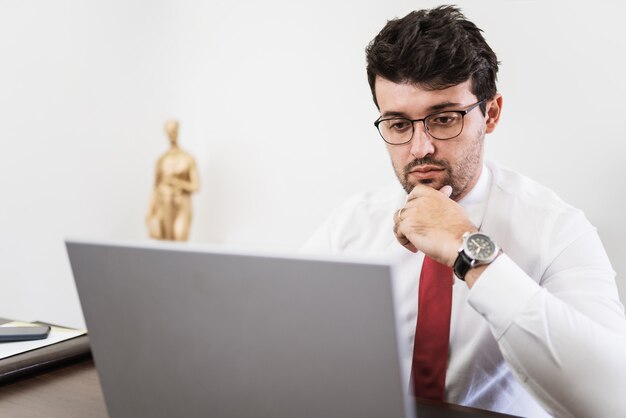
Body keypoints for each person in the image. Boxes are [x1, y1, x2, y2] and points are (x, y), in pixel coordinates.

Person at [303, 6, 626, 417]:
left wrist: (469, 248)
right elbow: (285, 351)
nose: (420, 148)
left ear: (490, 114)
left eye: (443, 119)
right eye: (399, 125)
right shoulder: (349, 225)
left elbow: (612, 400)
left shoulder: (557, 230)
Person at [146, 120, 199, 241]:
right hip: (164, 203)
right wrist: (150, 210)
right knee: (166, 243)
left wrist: (175, 182)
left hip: (182, 204)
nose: (171, 134)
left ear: (178, 131)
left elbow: (196, 186)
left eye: (174, 131)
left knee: (180, 239)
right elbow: (155, 187)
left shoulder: (187, 158)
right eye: (169, 131)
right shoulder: (161, 160)